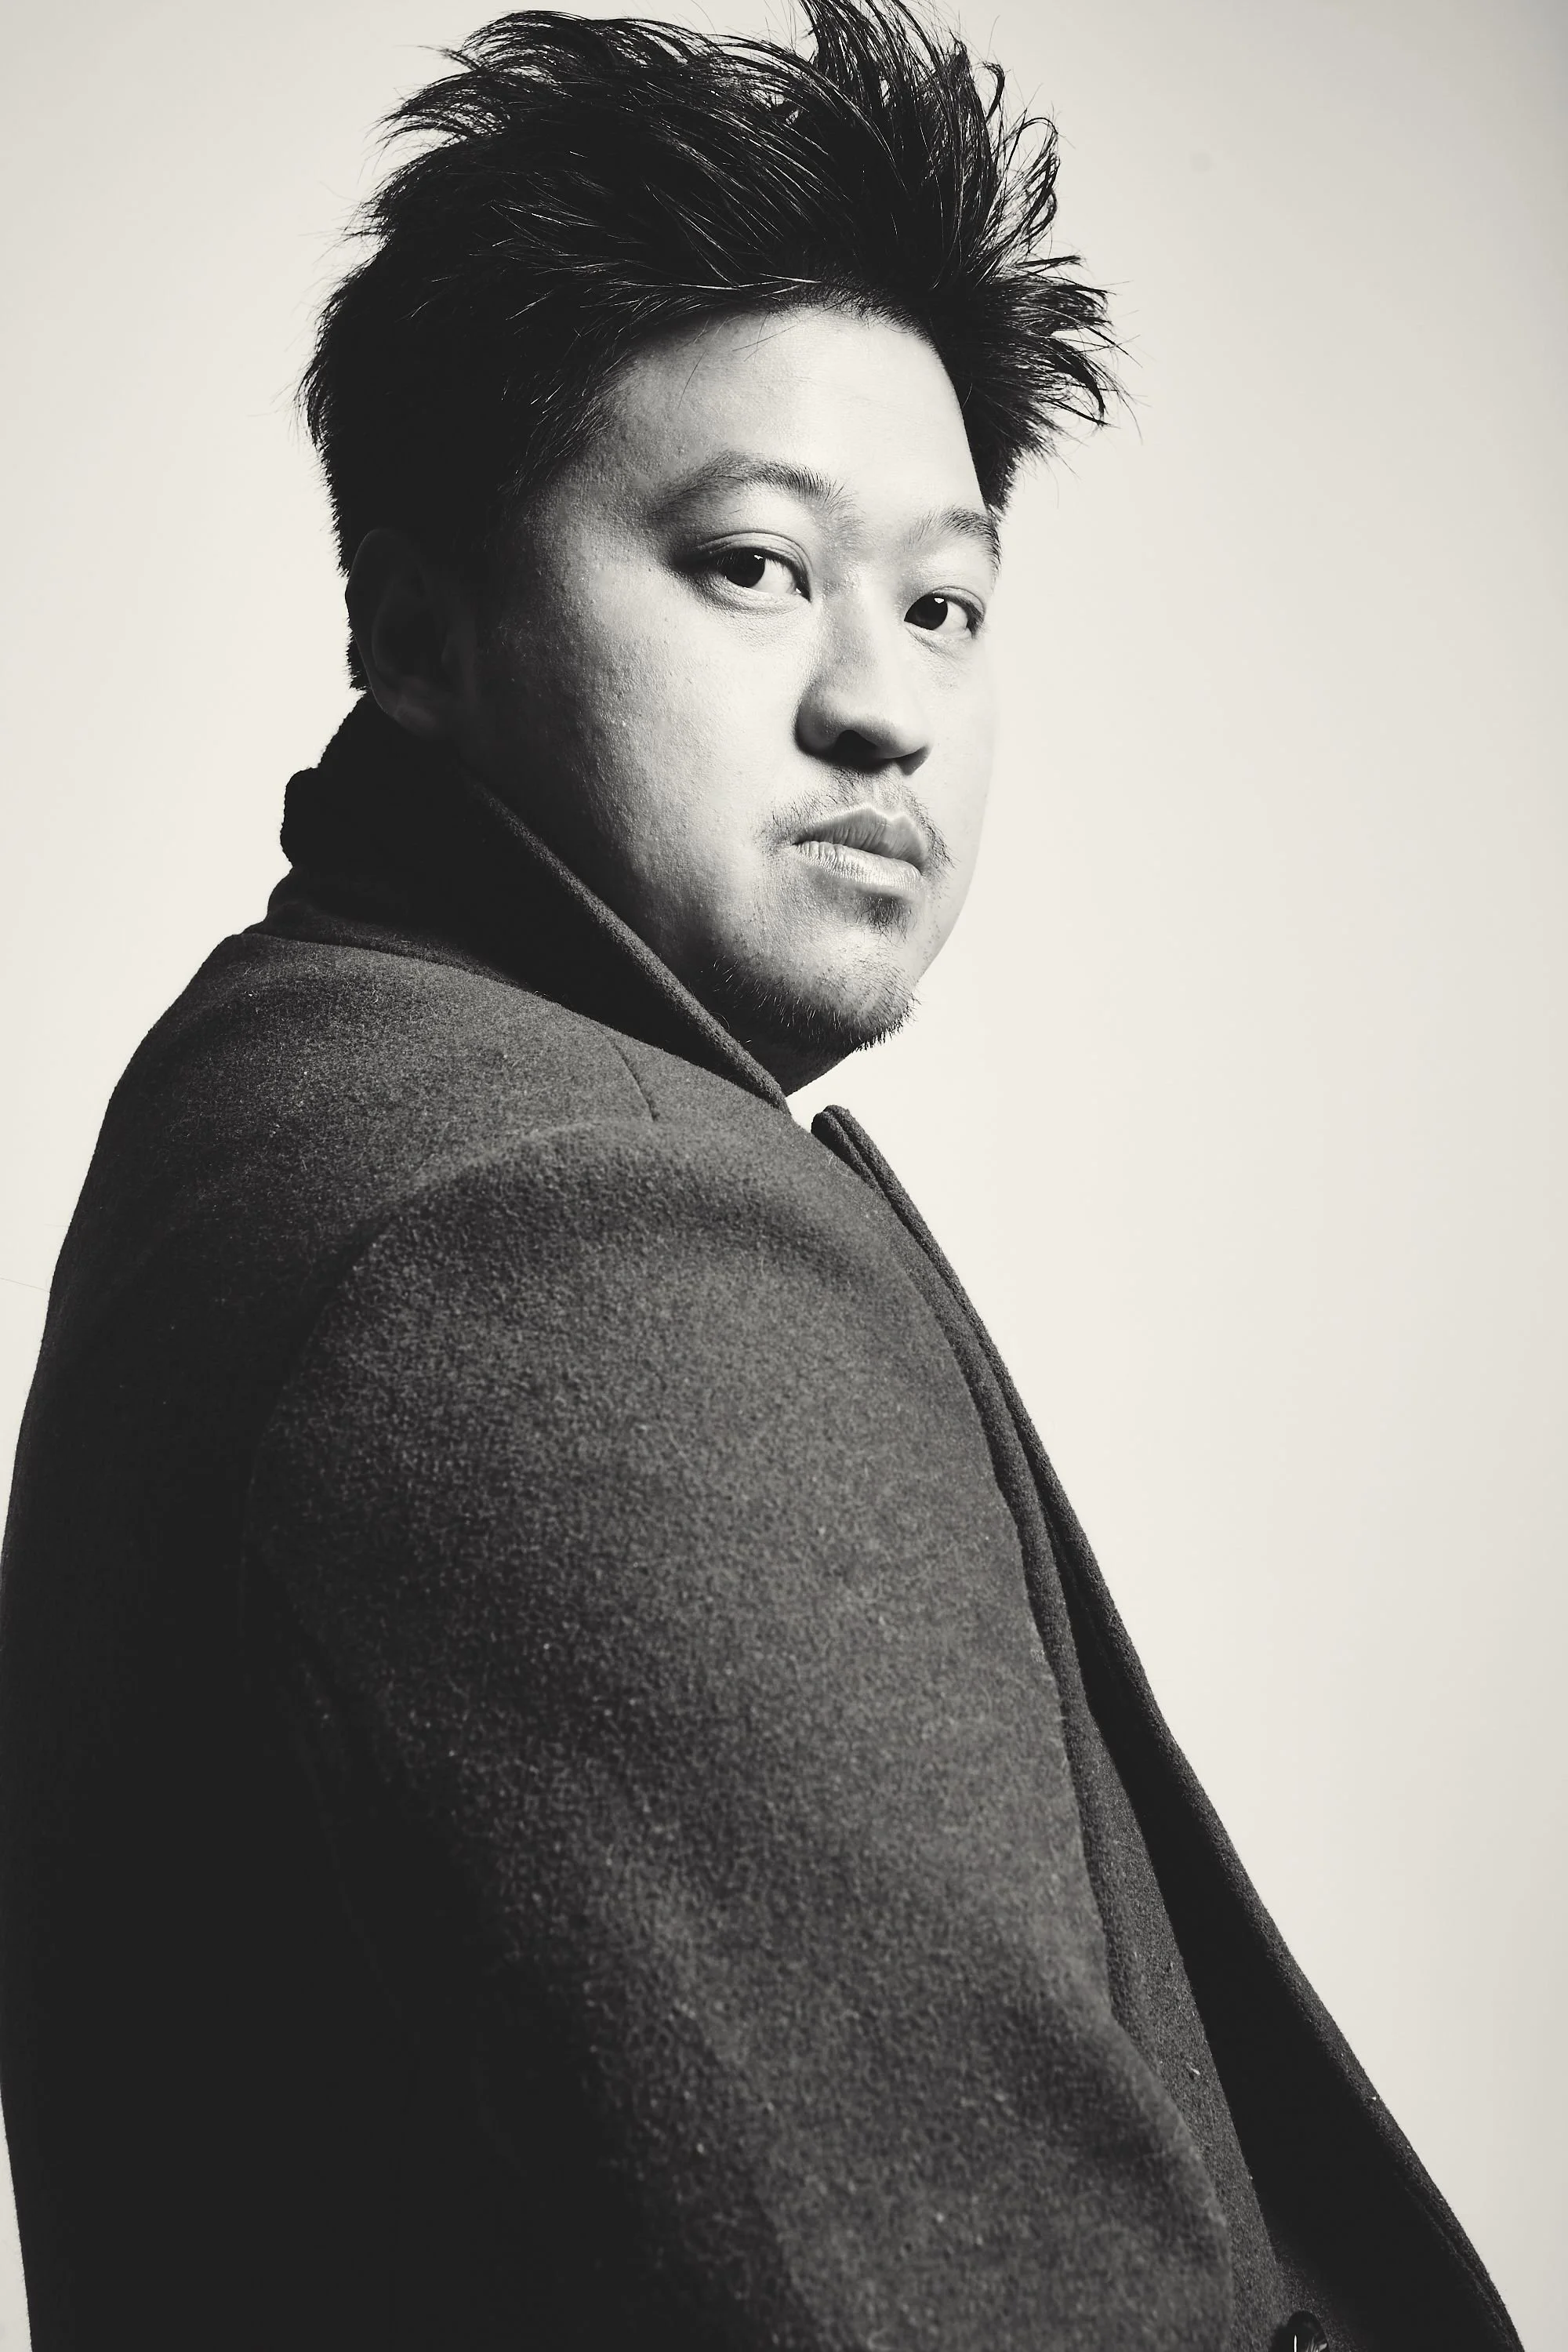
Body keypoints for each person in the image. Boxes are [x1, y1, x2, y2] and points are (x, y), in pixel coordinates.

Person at [0, 3, 1523, 2346]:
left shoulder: (300, 1082)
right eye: (749, 564)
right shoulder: (568, 1237)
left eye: (945, 603)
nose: (885, 705)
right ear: (415, 630)